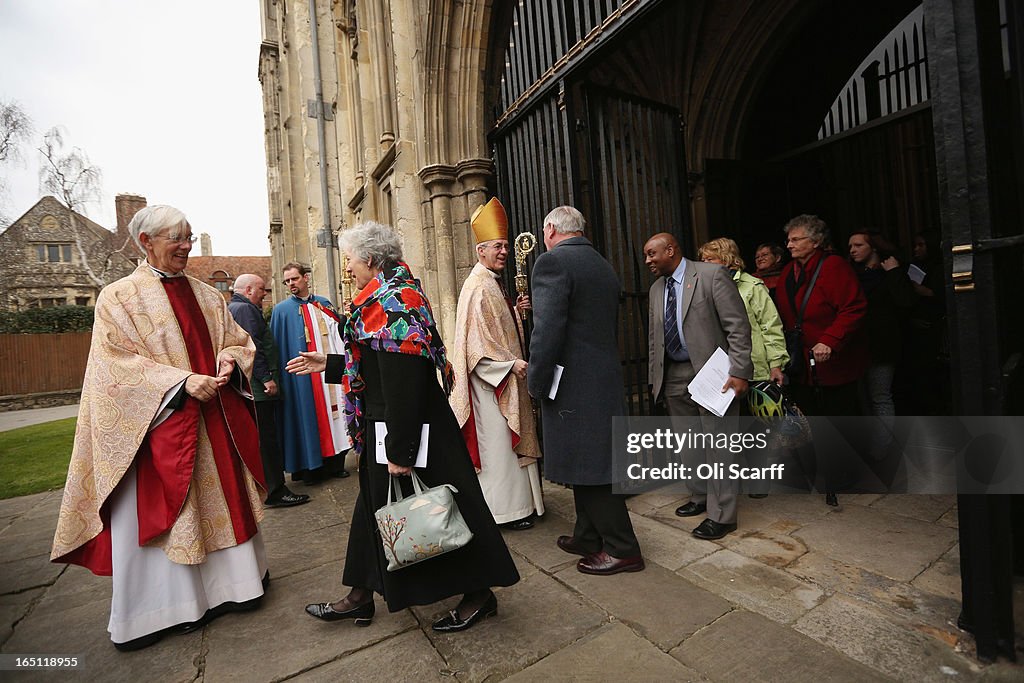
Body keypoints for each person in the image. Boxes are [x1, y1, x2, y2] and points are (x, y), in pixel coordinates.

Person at [50, 205, 268, 651]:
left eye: (189, 236)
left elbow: (236, 340)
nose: (186, 245)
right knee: (170, 515)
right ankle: (168, 609)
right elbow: (115, 367)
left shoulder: (208, 295)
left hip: (213, 427)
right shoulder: (119, 297)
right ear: (145, 242)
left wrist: (228, 359)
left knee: (224, 502)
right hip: (158, 431)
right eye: (176, 238)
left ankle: (237, 587)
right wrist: (182, 383)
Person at [289, 221, 519, 632]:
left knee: (447, 510)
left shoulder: (394, 301)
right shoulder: (385, 296)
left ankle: (480, 593)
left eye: (351, 260)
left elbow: (404, 380)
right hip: (396, 423)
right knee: (373, 509)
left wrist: (400, 450)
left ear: (371, 260)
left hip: (408, 427)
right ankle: (360, 595)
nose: (348, 268)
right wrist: (330, 364)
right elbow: (380, 365)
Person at [527, 206, 644, 574]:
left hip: (574, 382)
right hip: (600, 377)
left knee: (593, 467)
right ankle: (588, 535)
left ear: (549, 229)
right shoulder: (600, 263)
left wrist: (536, 380)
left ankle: (623, 548)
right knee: (585, 459)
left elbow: (547, 331)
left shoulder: (552, 263)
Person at [645, 233, 752, 540]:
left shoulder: (711, 275)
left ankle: (723, 516)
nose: (648, 261)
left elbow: (737, 326)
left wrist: (740, 371)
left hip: (714, 374)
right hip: (674, 374)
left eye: (652, 253)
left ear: (670, 249)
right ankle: (700, 496)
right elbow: (656, 341)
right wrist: (656, 381)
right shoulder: (655, 290)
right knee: (688, 443)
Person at [449, 197, 544, 530]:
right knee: (499, 450)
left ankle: (519, 506)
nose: (504, 251)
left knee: (506, 447)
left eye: (505, 245)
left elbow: (495, 329)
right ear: (480, 251)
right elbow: (477, 347)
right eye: (497, 247)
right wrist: (510, 365)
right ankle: (506, 511)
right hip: (490, 386)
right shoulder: (479, 287)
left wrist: (517, 314)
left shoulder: (490, 282)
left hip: (502, 377)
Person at [775, 215, 868, 505]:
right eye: (788, 239)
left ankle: (845, 473)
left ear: (815, 242)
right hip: (801, 362)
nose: (789, 244)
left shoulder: (834, 267)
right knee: (809, 420)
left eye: (796, 239)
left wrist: (830, 339)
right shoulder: (789, 270)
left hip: (833, 362)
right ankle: (816, 471)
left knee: (839, 418)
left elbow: (854, 307)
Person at [698, 237, 788, 498]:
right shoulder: (703, 287)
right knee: (725, 431)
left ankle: (758, 481)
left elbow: (771, 326)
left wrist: (776, 363)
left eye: (709, 259)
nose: (703, 264)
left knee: (754, 429)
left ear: (727, 260)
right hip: (718, 370)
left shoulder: (752, 286)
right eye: (702, 260)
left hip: (753, 368)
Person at [229, 274, 310, 508]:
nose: (265, 294)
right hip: (258, 387)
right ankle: (275, 490)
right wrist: (266, 378)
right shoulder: (244, 310)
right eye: (262, 289)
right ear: (248, 290)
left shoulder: (235, 307)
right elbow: (252, 346)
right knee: (267, 439)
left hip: (251, 384)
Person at [270, 262, 350, 483]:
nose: (290, 284)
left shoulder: (324, 303)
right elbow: (278, 348)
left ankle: (336, 462)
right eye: (287, 281)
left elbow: (339, 334)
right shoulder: (281, 311)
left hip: (329, 371)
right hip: (303, 377)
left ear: (305, 278)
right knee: (306, 416)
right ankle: (310, 468)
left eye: (294, 279)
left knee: (336, 414)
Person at [847, 231, 917, 417]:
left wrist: (894, 273)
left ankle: (885, 445)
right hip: (857, 344)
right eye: (851, 246)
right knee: (863, 398)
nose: (853, 250)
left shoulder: (890, 271)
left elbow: (906, 302)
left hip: (882, 344)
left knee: (880, 396)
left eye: (859, 245)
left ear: (874, 247)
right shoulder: (850, 275)